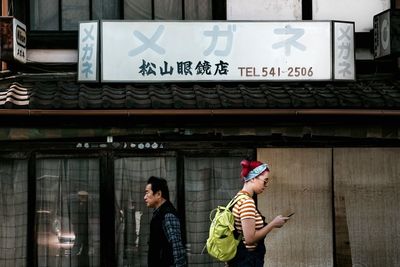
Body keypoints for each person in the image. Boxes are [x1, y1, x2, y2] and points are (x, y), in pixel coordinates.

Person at [228, 159, 289, 267]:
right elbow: (250, 239)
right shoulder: (247, 203)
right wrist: (273, 224)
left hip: (239, 259)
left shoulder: (238, 198)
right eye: (265, 181)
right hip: (247, 261)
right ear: (253, 178)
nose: (266, 185)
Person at [144, 176, 187, 267]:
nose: (145, 197)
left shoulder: (168, 215)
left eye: (147, 192)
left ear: (158, 194)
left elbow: (177, 249)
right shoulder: (159, 214)